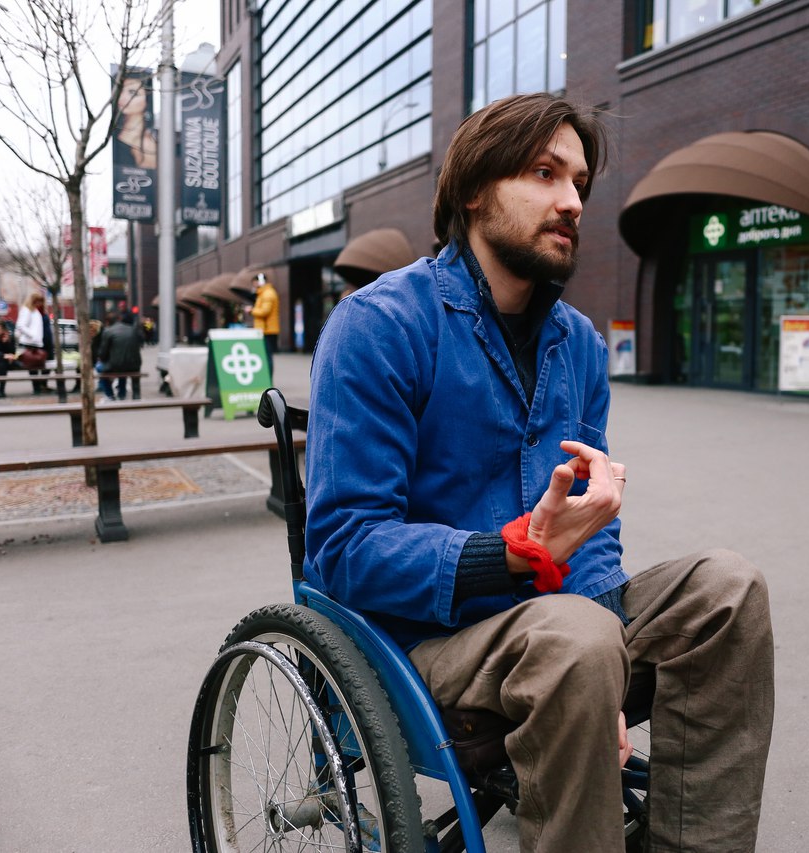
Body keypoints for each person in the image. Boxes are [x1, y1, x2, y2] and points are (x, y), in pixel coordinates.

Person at [306, 93, 774, 853]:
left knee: (728, 587)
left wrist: (609, 667)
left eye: (579, 183)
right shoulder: (380, 325)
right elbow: (345, 547)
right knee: (575, 634)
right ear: (473, 190)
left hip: (556, 624)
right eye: (543, 173)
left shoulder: (579, 346)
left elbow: (586, 539)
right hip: (420, 641)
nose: (570, 201)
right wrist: (515, 554)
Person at [97, 311, 144, 401]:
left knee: (100, 367)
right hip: (135, 365)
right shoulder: (132, 329)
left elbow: (103, 354)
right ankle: (123, 394)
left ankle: (110, 395)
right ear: (119, 319)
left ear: (107, 322)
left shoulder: (108, 332)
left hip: (116, 365)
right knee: (123, 366)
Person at [14, 291, 52, 393]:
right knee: (33, 365)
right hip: (32, 342)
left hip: (40, 342)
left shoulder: (37, 311)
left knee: (41, 364)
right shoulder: (27, 310)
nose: (39, 304)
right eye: (37, 301)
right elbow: (21, 326)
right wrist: (33, 335)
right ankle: (36, 387)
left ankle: (41, 385)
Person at [246, 272, 280, 378]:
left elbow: (265, 311)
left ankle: (268, 379)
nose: (254, 286)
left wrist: (251, 310)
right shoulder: (264, 293)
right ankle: (267, 378)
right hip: (266, 329)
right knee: (266, 355)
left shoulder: (267, 294)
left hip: (267, 330)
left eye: (254, 283)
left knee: (266, 356)